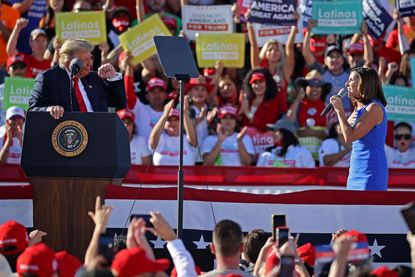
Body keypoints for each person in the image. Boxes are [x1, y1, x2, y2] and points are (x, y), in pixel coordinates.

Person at [28, 39, 126, 119]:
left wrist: (113, 77)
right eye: (85, 60)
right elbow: (33, 108)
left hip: (97, 134)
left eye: (90, 58)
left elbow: (119, 104)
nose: (90, 64)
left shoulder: (94, 78)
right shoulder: (48, 78)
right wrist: (49, 109)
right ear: (68, 60)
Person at [330, 67, 388, 191]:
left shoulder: (374, 108)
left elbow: (349, 136)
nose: (346, 84)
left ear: (363, 83)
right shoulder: (359, 109)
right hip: (355, 172)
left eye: (350, 80)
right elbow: (344, 132)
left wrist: (339, 110)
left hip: (371, 172)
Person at [149, 99, 197, 166]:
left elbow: (193, 139)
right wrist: (165, 115)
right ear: (164, 124)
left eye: (177, 120)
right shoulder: (161, 139)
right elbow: (153, 139)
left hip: (185, 176)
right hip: (161, 176)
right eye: (169, 120)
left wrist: (184, 111)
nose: (173, 122)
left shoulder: (187, 139)